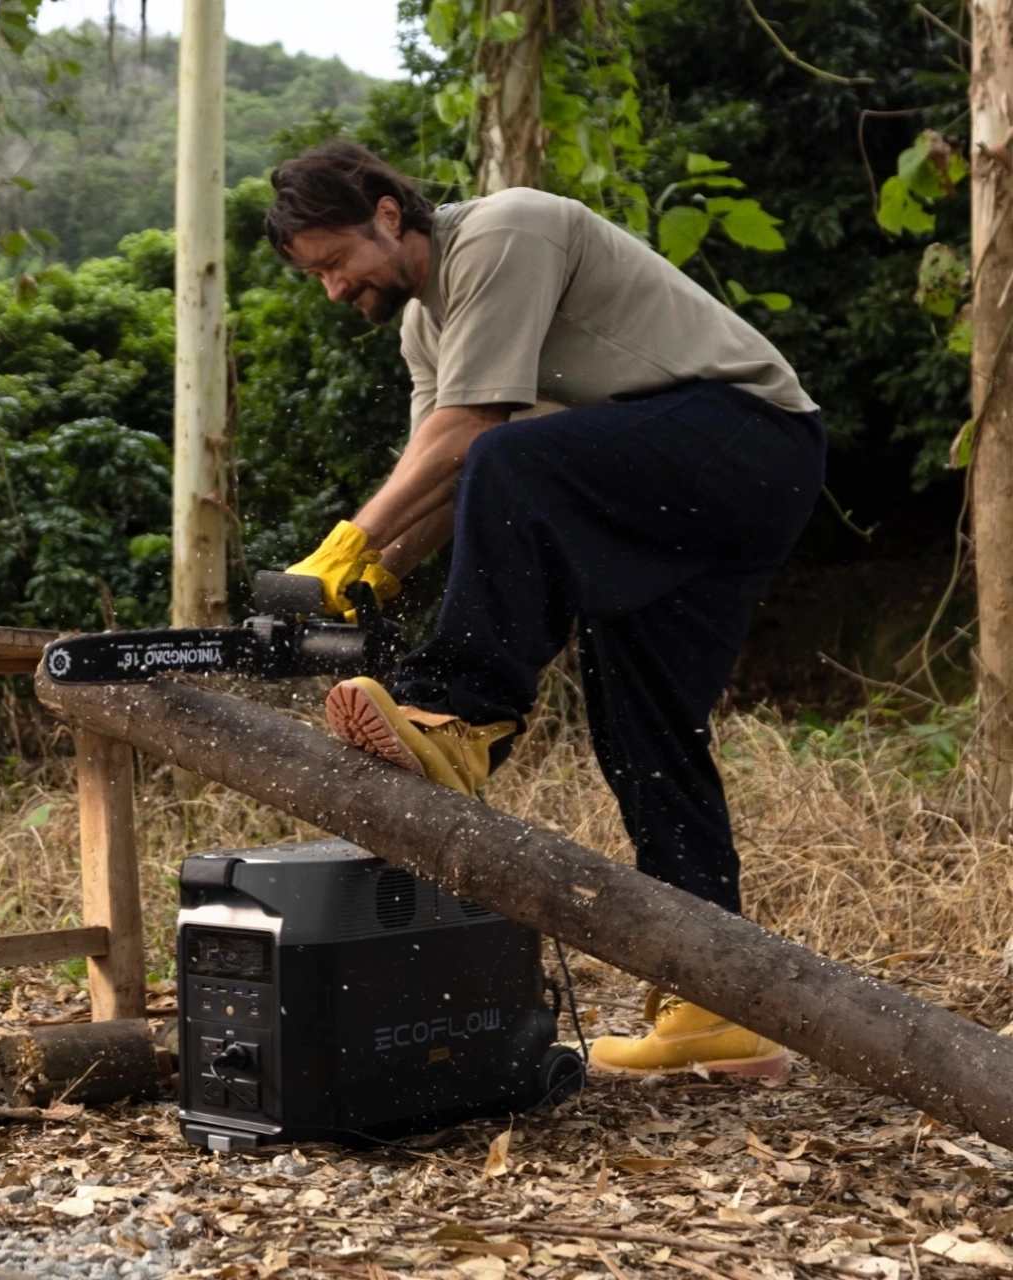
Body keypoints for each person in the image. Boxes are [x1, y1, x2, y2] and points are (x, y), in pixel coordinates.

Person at [265, 140, 823, 1080]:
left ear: (389, 215)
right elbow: (440, 484)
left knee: (511, 457)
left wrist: (343, 548)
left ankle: (464, 711)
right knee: (643, 729)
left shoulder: (505, 230)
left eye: (335, 263)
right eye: (316, 275)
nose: (333, 290)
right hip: (665, 494)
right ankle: (716, 999)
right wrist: (379, 572)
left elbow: (475, 435)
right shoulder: (423, 333)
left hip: (749, 441)